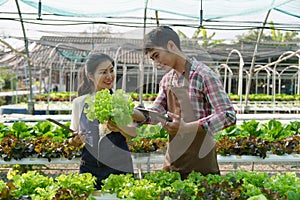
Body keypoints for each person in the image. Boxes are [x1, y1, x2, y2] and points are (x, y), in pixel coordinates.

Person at [142, 26, 236, 179]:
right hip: (173, 161)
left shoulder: (203, 74)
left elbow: (228, 115)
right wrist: (133, 113)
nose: (157, 63)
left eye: (157, 55)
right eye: (153, 59)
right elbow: (156, 112)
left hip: (201, 161)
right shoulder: (167, 80)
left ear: (171, 46)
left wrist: (187, 128)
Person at [68, 52, 144, 190]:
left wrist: (119, 127)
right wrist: (75, 140)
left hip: (119, 167)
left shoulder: (122, 99)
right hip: (89, 169)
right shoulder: (79, 103)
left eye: (111, 70)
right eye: (103, 72)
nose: (109, 76)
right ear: (90, 76)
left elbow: (133, 132)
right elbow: (71, 139)